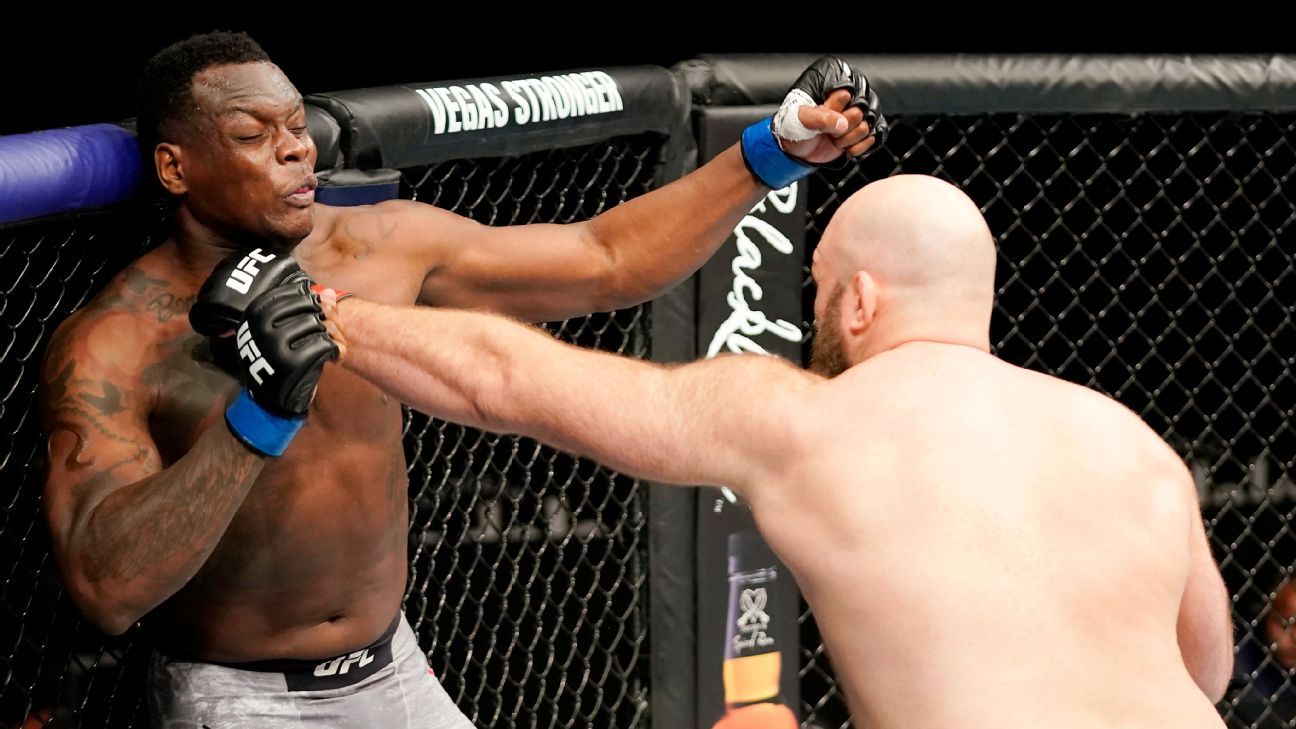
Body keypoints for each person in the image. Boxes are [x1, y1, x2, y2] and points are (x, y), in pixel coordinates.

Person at [36, 30, 883, 729]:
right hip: (239, 696)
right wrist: (259, 415)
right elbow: (106, 589)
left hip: (394, 667)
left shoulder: (377, 244)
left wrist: (770, 152)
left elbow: (606, 259)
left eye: (296, 124)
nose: (294, 148)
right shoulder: (117, 344)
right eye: (253, 136)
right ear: (176, 168)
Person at [307, 174, 1234, 728]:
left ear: (859, 299)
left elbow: (505, 378)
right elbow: (1207, 670)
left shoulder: (805, 417)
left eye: (818, 287)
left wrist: (321, 313)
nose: (814, 310)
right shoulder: (1132, 442)